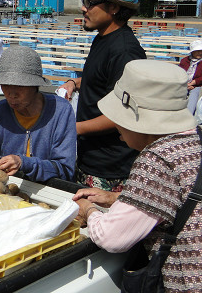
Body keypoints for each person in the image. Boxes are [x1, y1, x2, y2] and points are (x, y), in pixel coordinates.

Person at [73, 59, 202, 292]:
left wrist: (88, 211)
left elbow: (110, 237)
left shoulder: (158, 158)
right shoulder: (195, 139)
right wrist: (115, 198)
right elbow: (178, 197)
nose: (117, 128)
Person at [58, 0, 150, 191]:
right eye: (84, 1)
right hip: (90, 156)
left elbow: (125, 113)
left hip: (110, 167)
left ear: (115, 8)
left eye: (90, 3)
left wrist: (72, 128)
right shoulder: (102, 38)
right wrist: (74, 83)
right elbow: (103, 81)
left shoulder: (125, 51)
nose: (83, 9)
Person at [0, 46, 76, 183]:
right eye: (5, 85)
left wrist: (24, 163)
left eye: (19, 86)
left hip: (49, 193)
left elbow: (65, 170)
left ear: (34, 85)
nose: (11, 94)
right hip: (9, 190)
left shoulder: (60, 111)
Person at [179, 39, 202, 114]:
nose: (200, 53)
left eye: (200, 50)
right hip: (185, 83)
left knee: (194, 94)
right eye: (197, 51)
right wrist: (185, 84)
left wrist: (193, 83)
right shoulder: (185, 61)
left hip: (197, 85)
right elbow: (180, 73)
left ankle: (189, 115)